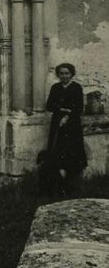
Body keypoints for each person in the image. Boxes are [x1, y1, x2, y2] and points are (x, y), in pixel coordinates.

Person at [44, 63, 87, 197]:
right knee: (58, 149)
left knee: (71, 151)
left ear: (71, 74)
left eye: (67, 73)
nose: (64, 76)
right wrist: (63, 110)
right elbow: (50, 106)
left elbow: (79, 108)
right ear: (58, 75)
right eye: (61, 73)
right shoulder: (55, 87)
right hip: (57, 124)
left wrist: (67, 116)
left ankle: (72, 185)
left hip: (72, 125)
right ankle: (57, 185)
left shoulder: (76, 88)